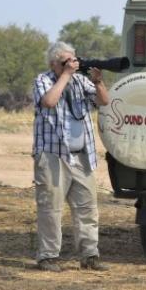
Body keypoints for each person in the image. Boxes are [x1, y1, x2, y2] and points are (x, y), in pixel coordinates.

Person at [32, 41, 109, 272]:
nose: (72, 64)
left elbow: (103, 101)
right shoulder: (43, 80)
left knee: (87, 207)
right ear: (54, 63)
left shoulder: (81, 81)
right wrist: (65, 75)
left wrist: (97, 81)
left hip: (82, 156)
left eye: (73, 60)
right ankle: (48, 257)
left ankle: (90, 256)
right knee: (50, 208)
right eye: (66, 61)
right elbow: (49, 101)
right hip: (52, 155)